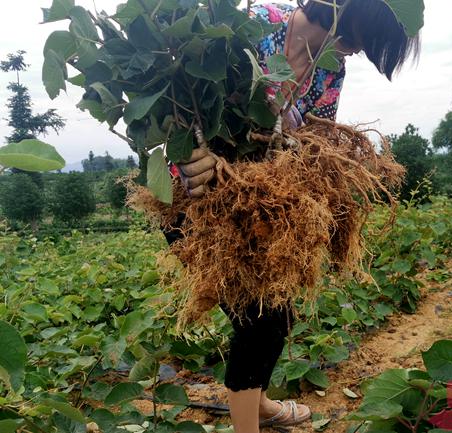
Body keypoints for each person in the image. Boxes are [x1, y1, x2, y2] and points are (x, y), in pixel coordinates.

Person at [172, 1, 421, 431]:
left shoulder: (330, 71)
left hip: (254, 207)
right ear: (346, 11)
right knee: (260, 319)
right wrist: (190, 152)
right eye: (359, 40)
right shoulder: (249, 25)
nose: (357, 52)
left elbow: (310, 146)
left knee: (276, 310)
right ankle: (250, 419)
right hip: (193, 206)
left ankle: (258, 403)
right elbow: (173, 101)